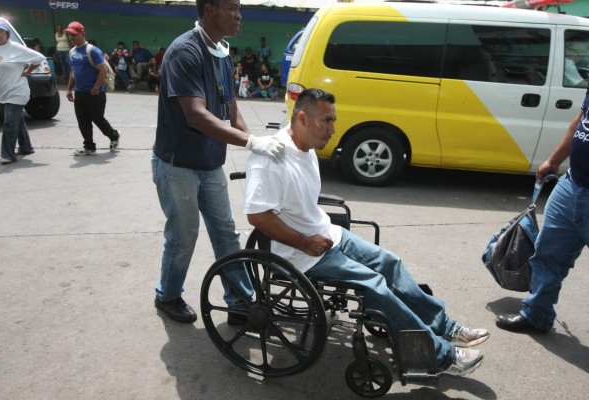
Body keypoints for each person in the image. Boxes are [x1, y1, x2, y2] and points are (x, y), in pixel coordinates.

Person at [244, 88, 489, 376]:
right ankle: (441, 356)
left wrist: (317, 235)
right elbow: (257, 215)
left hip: (327, 234)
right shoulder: (272, 156)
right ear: (302, 118)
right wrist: (306, 243)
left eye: (333, 121)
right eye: (327, 121)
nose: (333, 129)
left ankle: (445, 327)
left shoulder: (306, 148)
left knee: (390, 264)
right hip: (300, 253)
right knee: (374, 285)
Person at [151, 0, 285, 323]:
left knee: (226, 233)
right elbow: (196, 115)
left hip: (210, 163)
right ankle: (167, 295)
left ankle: (239, 303)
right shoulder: (186, 52)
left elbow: (230, 107)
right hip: (178, 164)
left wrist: (254, 143)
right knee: (184, 236)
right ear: (210, 10)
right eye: (233, 8)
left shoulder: (221, 52)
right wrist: (251, 142)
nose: (240, 15)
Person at [495, 85, 589, 334]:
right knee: (547, 256)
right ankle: (536, 314)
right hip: (572, 185)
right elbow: (581, 119)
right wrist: (554, 160)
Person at [0, 19, 43, 164]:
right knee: (16, 120)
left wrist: (27, 71)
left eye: (1, 31)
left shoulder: (15, 47)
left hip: (16, 91)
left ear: (7, 34)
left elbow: (39, 58)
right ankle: (26, 147)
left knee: (9, 122)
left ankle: (7, 154)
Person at [65, 21, 121, 156]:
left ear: (82, 33)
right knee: (83, 121)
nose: (72, 38)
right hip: (80, 92)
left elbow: (103, 71)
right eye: (70, 35)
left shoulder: (93, 51)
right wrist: (69, 89)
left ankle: (113, 135)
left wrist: (96, 87)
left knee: (97, 118)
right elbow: (73, 71)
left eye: (74, 35)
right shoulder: (72, 52)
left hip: (95, 93)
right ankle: (89, 146)